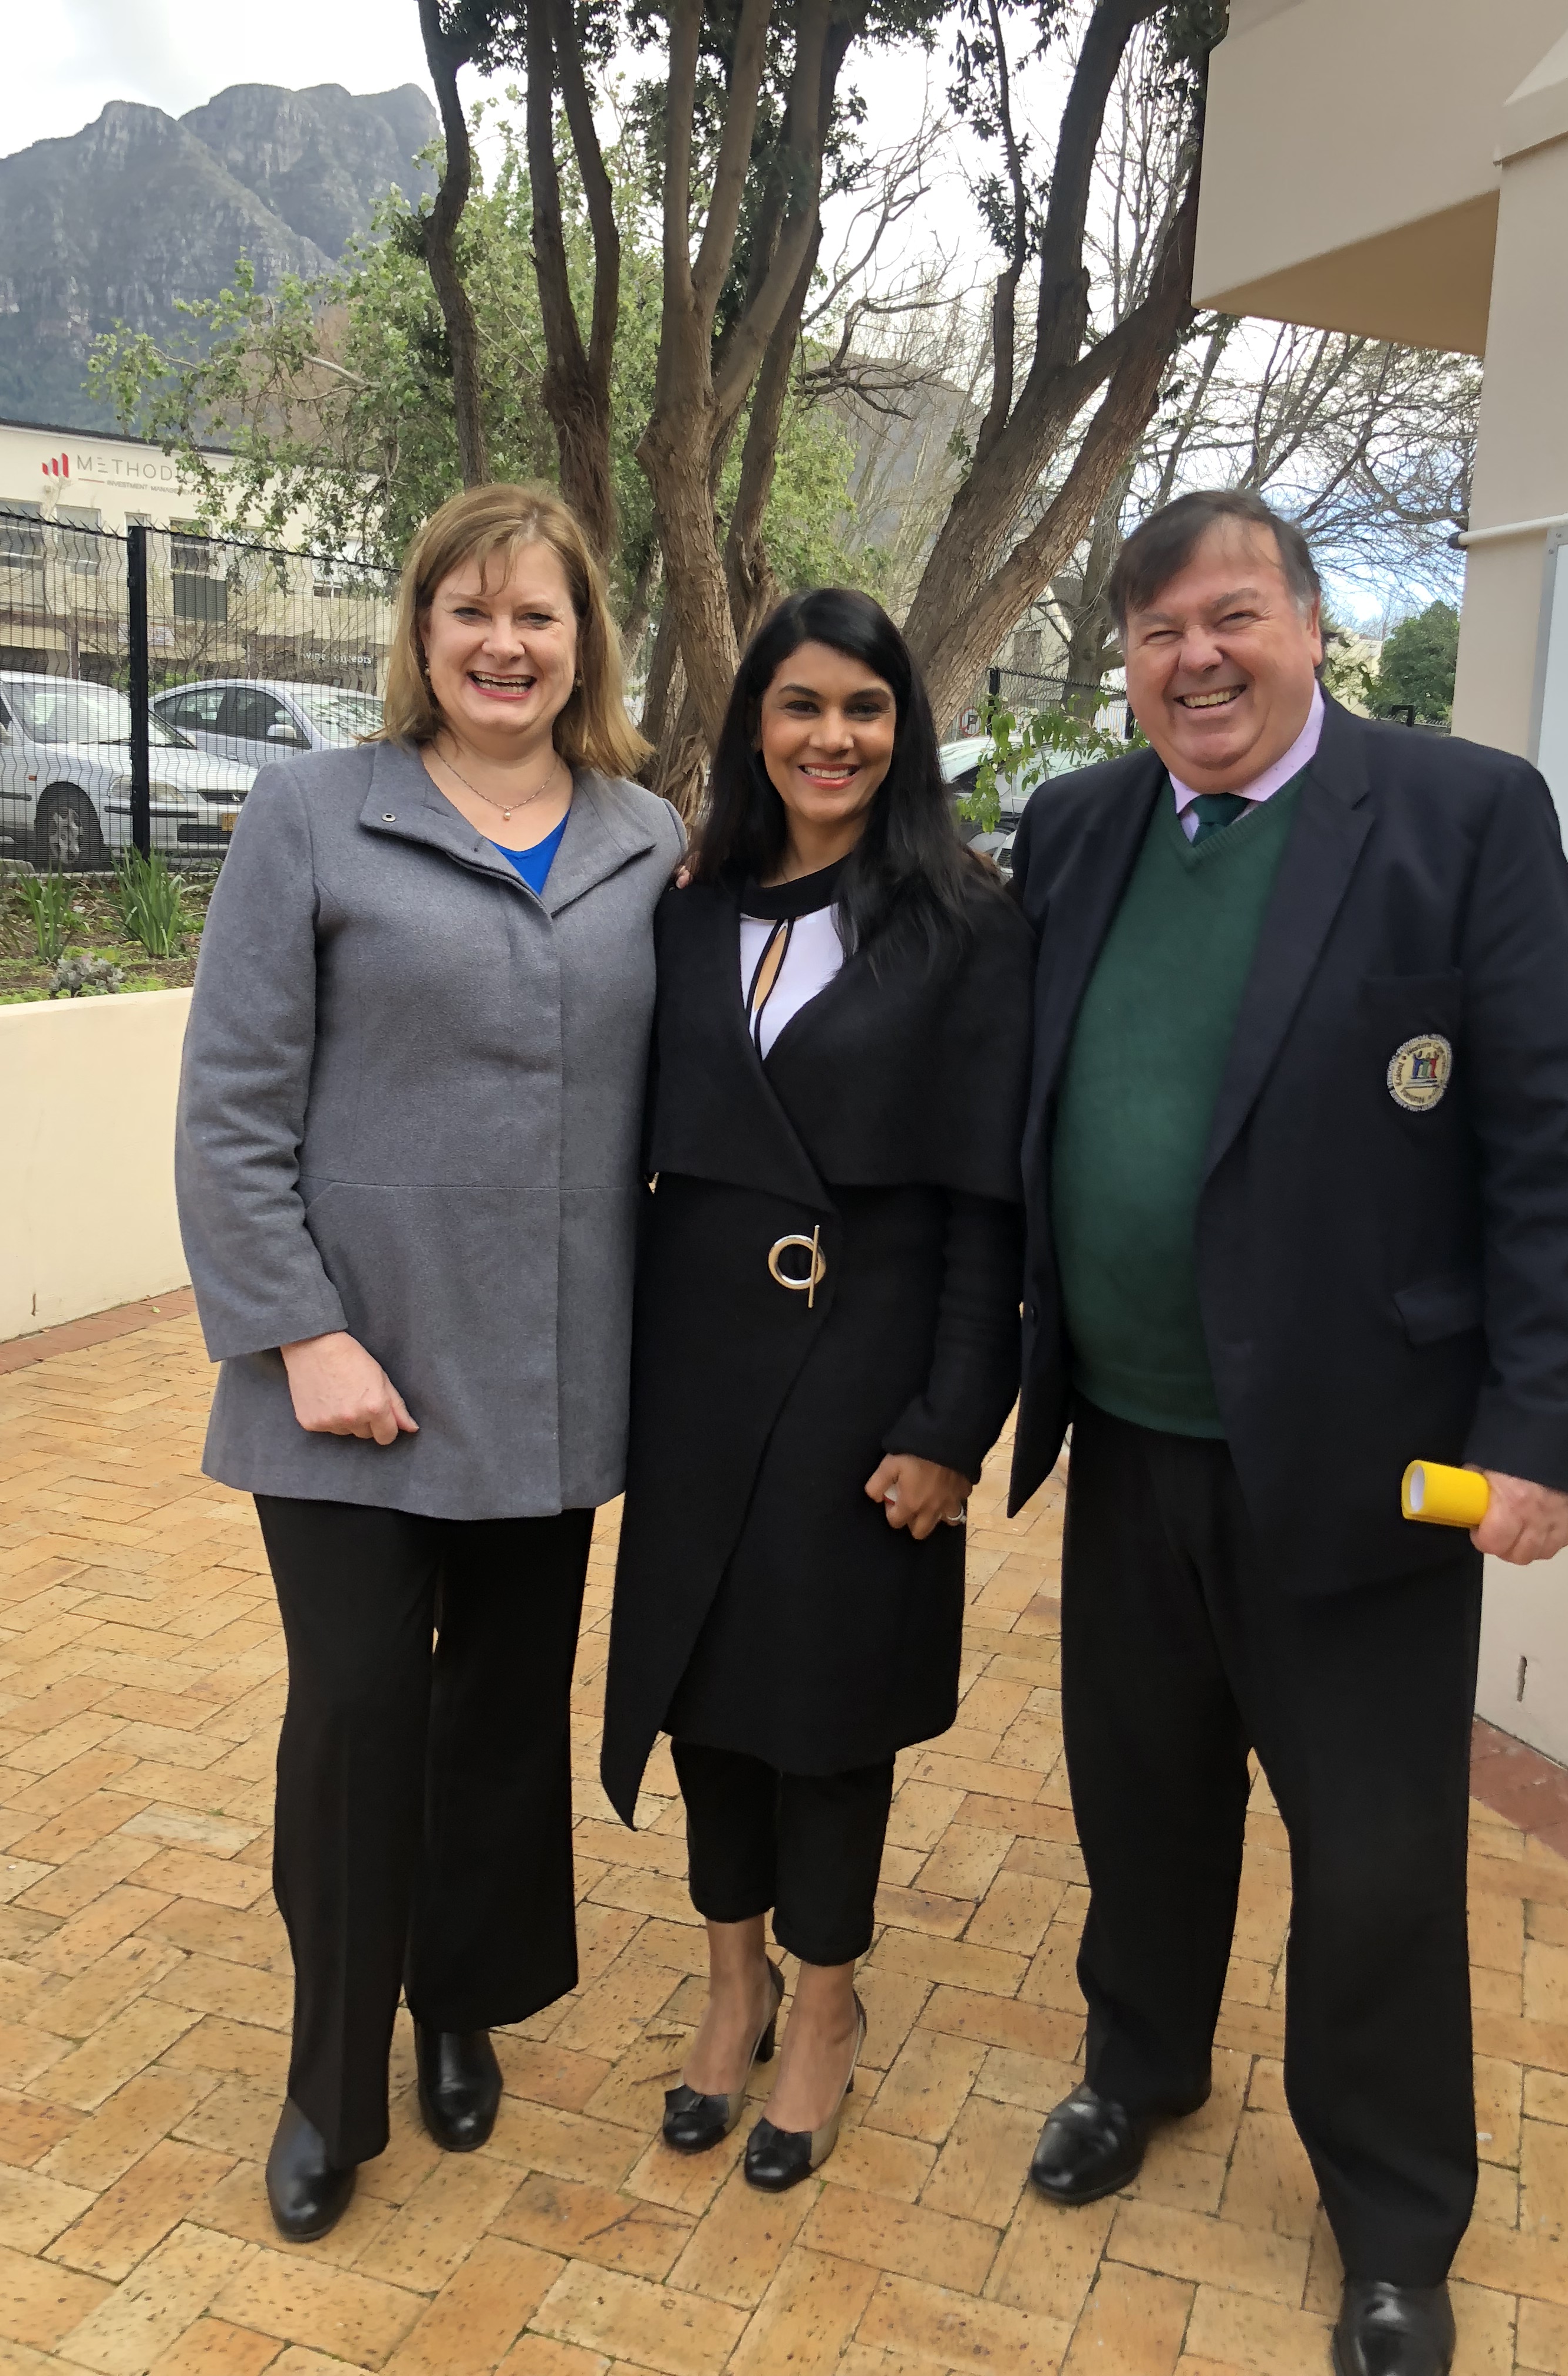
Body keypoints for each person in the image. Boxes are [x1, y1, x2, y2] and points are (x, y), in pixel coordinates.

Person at [1008, 491, 1568, 2376]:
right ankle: (1145, 2068)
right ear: (1124, 664)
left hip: (1369, 1467)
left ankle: (1391, 2218)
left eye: (1233, 615)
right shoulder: (1079, 827)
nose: (1196, 657)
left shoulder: (1461, 817)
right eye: (1156, 631)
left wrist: (1542, 1426)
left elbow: (1553, 1148)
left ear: (1313, 624)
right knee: (1144, 1803)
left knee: (1372, 1864)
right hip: (1127, 1440)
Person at [176, 483, 684, 2243]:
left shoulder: (645, 840)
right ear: (420, 630)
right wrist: (302, 1332)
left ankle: (456, 2003)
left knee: (495, 1724)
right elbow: (233, 1108)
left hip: (550, 1381)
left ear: (581, 640)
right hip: (349, 1387)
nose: (502, 642)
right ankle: (332, 2081)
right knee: (359, 1723)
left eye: (536, 614)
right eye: (469, 610)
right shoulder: (313, 816)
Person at [601, 589, 1032, 2190]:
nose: (832, 738)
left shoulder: (968, 921)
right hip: (701, 1362)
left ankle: (831, 2010)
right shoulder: (690, 910)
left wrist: (948, 1426)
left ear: (904, 726)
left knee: (831, 1715)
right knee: (708, 1692)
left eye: (864, 708)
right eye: (800, 707)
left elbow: (991, 1208)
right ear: (755, 726)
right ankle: (734, 1990)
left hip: (869, 1373)